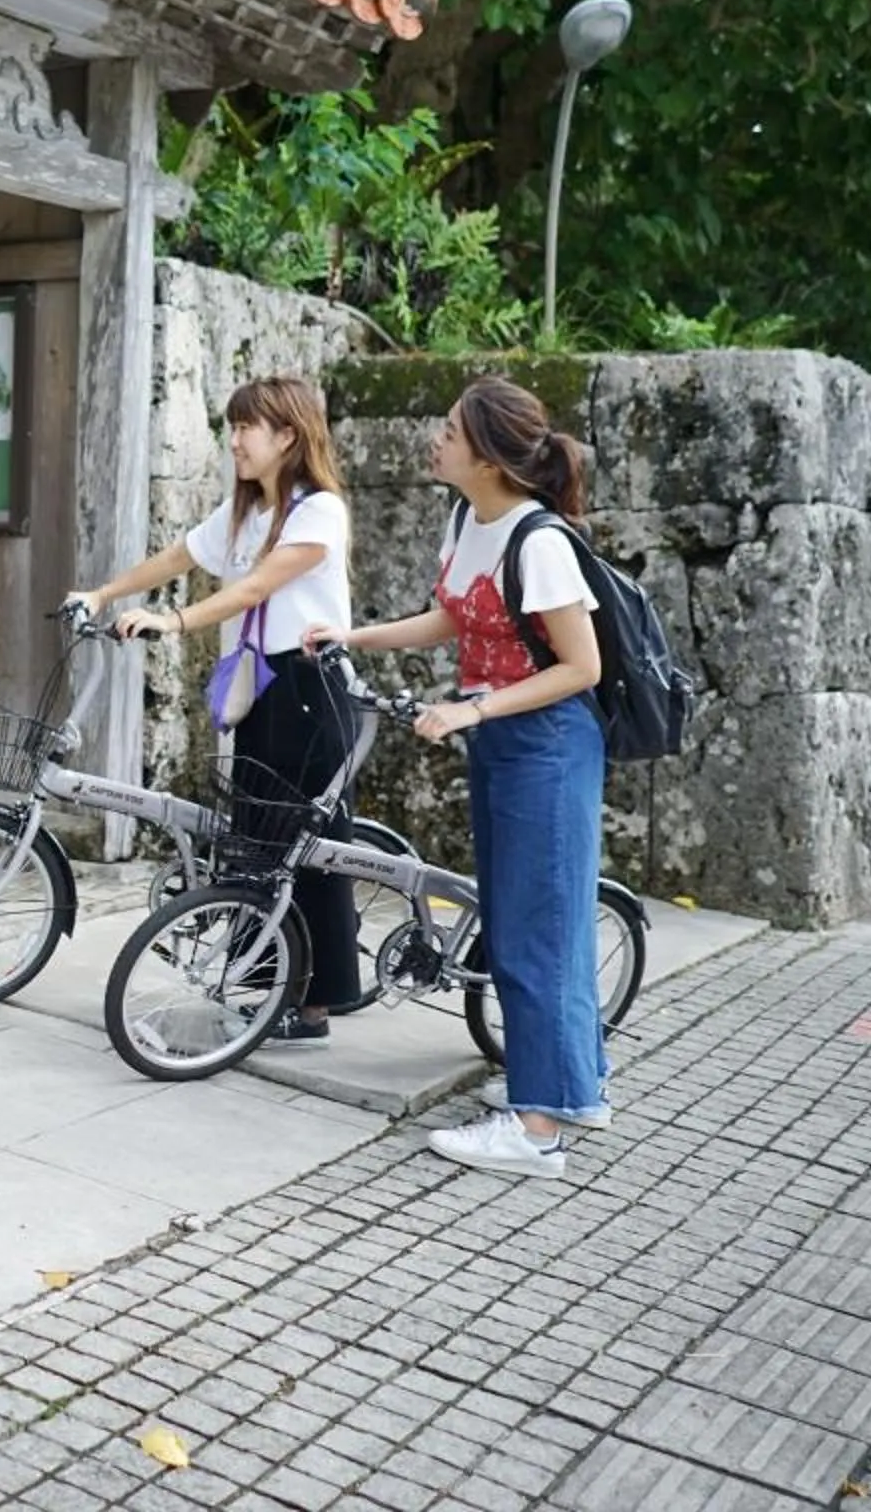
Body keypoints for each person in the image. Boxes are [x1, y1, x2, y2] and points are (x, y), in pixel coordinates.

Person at [305, 376, 605, 1181]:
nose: (435, 439)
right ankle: (569, 1089)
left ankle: (537, 1130)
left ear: (489, 454)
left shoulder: (539, 540)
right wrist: (354, 636)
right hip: (505, 741)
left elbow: (582, 666)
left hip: (547, 745)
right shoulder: (470, 520)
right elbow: (454, 616)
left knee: (537, 933)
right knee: (521, 922)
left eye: (449, 430)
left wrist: (471, 712)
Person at [69, 374, 358, 1045]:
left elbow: (258, 584)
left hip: (310, 689)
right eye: (231, 427)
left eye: (245, 428)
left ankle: (314, 1005)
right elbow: (179, 555)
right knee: (257, 841)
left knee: (306, 852)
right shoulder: (247, 512)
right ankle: (263, 988)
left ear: (288, 434)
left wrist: (175, 622)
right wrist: (103, 592)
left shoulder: (318, 511)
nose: (234, 441)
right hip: (262, 690)